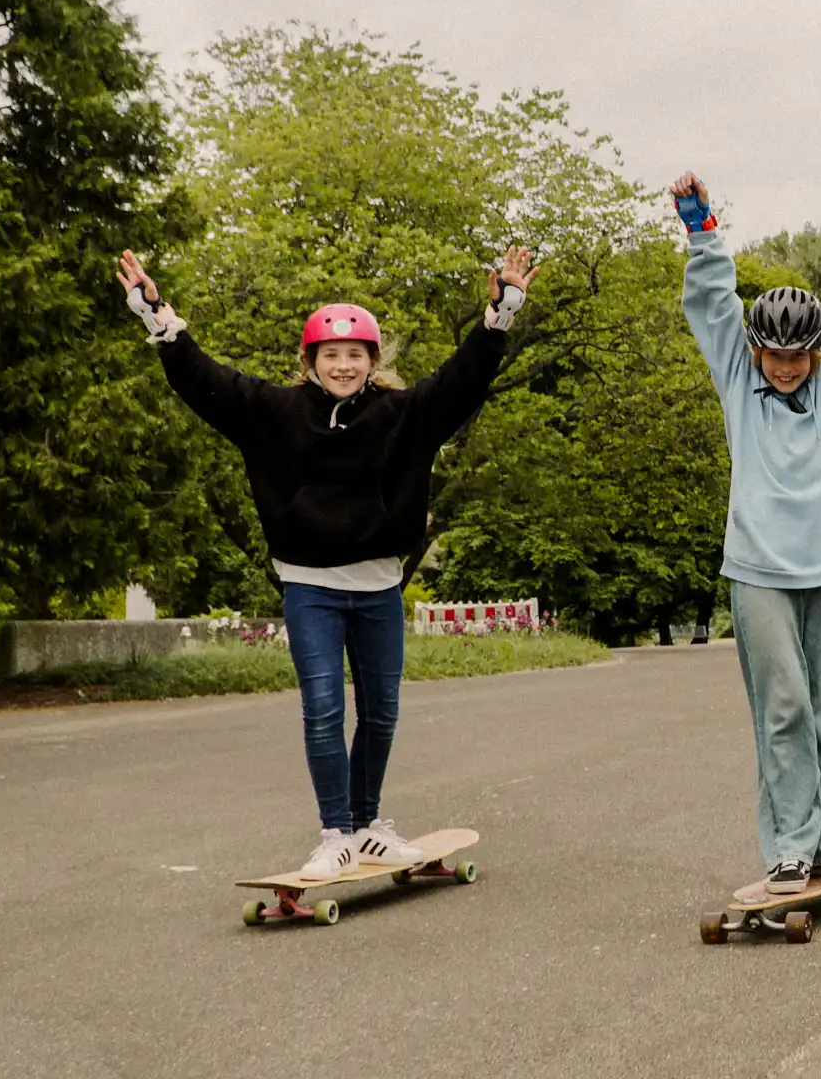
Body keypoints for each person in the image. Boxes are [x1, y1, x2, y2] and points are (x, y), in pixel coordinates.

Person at [115, 247, 536, 880]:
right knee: (322, 707)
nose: (343, 365)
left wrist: (500, 312)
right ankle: (335, 832)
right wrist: (159, 319)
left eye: (355, 355)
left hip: (378, 587)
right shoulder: (275, 414)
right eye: (330, 355)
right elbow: (208, 383)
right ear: (310, 363)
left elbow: (462, 381)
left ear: (372, 363)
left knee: (382, 710)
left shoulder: (402, 417)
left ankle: (368, 827)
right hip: (309, 585)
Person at [674, 168, 821, 894]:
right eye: (772, 356)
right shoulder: (738, 384)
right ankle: (789, 849)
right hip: (759, 571)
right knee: (785, 708)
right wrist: (700, 228)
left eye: (796, 356)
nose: (783, 368)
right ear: (756, 351)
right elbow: (712, 306)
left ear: (815, 352)